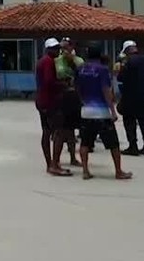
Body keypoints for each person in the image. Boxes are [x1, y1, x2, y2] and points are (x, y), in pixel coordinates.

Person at [75, 46, 132, 180]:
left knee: (85, 142)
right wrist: (112, 110)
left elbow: (76, 87)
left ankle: (85, 170)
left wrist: (82, 101)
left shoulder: (80, 69)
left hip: (86, 111)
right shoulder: (102, 69)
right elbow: (106, 90)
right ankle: (118, 171)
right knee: (114, 144)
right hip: (101, 112)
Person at [35, 38, 75, 176]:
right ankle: (54, 164)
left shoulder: (42, 61)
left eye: (58, 47)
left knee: (46, 132)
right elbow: (49, 81)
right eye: (55, 48)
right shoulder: (48, 61)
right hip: (50, 101)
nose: (58, 50)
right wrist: (63, 84)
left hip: (41, 100)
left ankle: (50, 163)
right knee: (59, 132)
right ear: (48, 49)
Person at [117, 40, 144, 156]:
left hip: (130, 96)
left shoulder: (127, 61)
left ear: (127, 51)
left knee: (129, 121)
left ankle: (133, 146)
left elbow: (120, 78)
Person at [54, 39, 84, 162]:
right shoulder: (57, 60)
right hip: (61, 98)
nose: (65, 50)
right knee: (60, 131)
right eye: (63, 48)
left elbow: (82, 72)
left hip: (75, 98)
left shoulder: (79, 60)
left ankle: (73, 157)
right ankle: (56, 160)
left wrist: (71, 60)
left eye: (67, 47)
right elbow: (58, 74)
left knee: (71, 130)